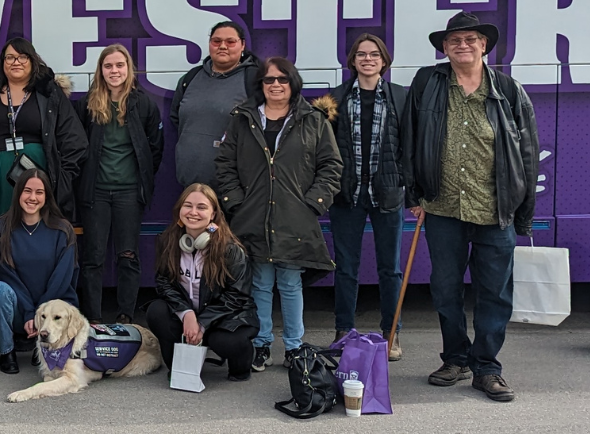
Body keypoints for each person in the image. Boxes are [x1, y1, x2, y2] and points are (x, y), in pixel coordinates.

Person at [399, 11, 540, 403]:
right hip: (442, 206)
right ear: (444, 48)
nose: (462, 46)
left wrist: (523, 212)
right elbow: (409, 139)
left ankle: (487, 367)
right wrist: (414, 195)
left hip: (495, 209)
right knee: (445, 291)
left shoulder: (508, 90)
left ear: (484, 45)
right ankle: (455, 358)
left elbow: (527, 154)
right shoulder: (428, 83)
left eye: (470, 39)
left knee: (495, 294)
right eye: (454, 41)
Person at [215, 56, 342, 372]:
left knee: (289, 283)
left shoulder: (313, 120)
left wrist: (313, 203)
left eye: (282, 80)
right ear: (260, 85)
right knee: (259, 284)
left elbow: (331, 166)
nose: (275, 85)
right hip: (252, 216)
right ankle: (260, 345)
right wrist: (237, 202)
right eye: (268, 80)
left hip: (294, 218)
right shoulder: (243, 119)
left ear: (292, 83)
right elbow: (225, 164)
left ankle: (295, 348)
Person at [324, 34, 410, 361]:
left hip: (388, 193)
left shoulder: (401, 97)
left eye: (374, 55)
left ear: (384, 61)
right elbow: (323, 148)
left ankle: (392, 334)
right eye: (361, 54)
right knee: (346, 267)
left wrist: (409, 186)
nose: (368, 59)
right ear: (352, 60)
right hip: (347, 196)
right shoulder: (335, 98)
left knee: (391, 269)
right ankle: (343, 330)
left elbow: (410, 146)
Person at [0, 38, 87, 230]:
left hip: (36, 177)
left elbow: (75, 141)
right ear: (2, 63)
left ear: (33, 61)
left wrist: (59, 178)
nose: (16, 62)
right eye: (10, 58)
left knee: (32, 233)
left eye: (22, 57)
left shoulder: (49, 93)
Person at [74, 44, 164, 323]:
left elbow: (154, 149)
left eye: (119, 65)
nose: (115, 71)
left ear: (129, 69)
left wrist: (141, 180)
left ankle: (126, 315)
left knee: (128, 255)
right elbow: (76, 146)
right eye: (108, 66)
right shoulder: (88, 104)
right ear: (100, 70)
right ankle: (93, 318)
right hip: (95, 192)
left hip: (129, 192)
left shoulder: (144, 103)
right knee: (93, 258)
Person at [146, 184, 257, 382]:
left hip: (224, 316)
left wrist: (203, 323)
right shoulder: (168, 240)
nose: (193, 212)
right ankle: (181, 363)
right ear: (179, 210)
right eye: (188, 206)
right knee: (157, 311)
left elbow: (237, 296)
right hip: (189, 313)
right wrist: (186, 314)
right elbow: (164, 283)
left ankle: (242, 364)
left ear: (213, 213)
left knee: (225, 341)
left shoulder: (230, 248)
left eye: (202, 207)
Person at [0, 168, 77, 374]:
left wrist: (41, 316)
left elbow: (62, 279)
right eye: (27, 191)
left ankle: (45, 347)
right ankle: (6, 351)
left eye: (39, 192)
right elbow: (5, 274)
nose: (32, 197)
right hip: (20, 312)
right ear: (18, 193)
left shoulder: (62, 229)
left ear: (47, 196)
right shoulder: (0, 228)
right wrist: (30, 313)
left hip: (53, 311)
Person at [172, 21, 263, 188]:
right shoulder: (191, 78)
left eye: (230, 42)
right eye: (216, 41)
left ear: (242, 45)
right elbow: (176, 119)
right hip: (191, 186)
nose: (222, 46)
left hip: (235, 188)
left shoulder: (255, 80)